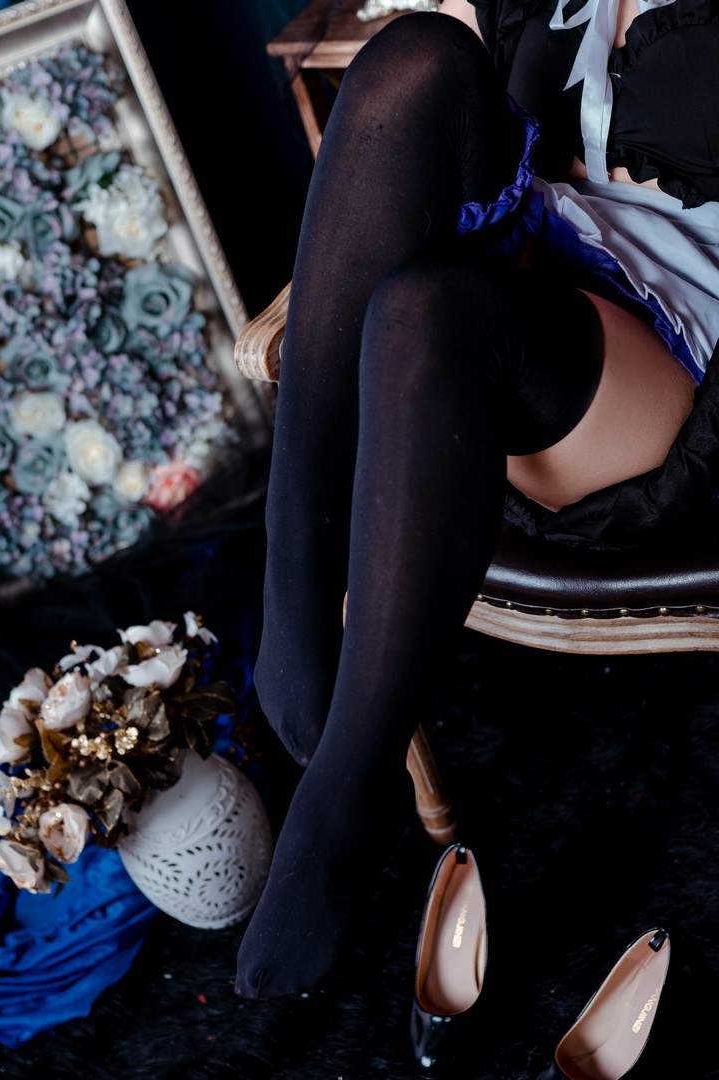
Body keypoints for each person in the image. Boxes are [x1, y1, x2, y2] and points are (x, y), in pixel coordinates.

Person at [234, 0, 719, 1002]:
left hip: (670, 338)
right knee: (415, 56)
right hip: (549, 240)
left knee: (427, 313)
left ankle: (348, 791)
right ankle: (297, 554)